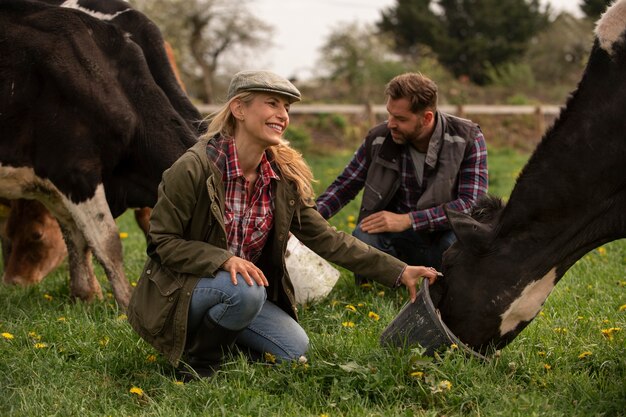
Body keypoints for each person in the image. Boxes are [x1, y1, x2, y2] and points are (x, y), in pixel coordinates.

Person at [127, 70, 440, 380]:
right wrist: (222, 259)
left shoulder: (281, 178)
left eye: (286, 108)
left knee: (293, 349)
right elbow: (162, 242)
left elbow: (329, 239)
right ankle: (199, 363)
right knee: (247, 291)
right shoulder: (194, 169)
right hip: (183, 291)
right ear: (239, 109)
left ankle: (220, 341)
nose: (282, 115)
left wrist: (400, 271)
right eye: (272, 103)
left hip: (239, 292)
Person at [316, 72, 488, 283]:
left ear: (426, 118)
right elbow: (344, 186)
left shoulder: (467, 138)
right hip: (399, 245)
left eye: (400, 118)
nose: (390, 124)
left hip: (443, 241)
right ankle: (382, 286)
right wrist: (304, 223)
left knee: (460, 240)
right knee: (364, 234)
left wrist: (409, 220)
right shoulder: (379, 138)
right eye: (389, 114)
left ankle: (446, 286)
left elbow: (472, 205)